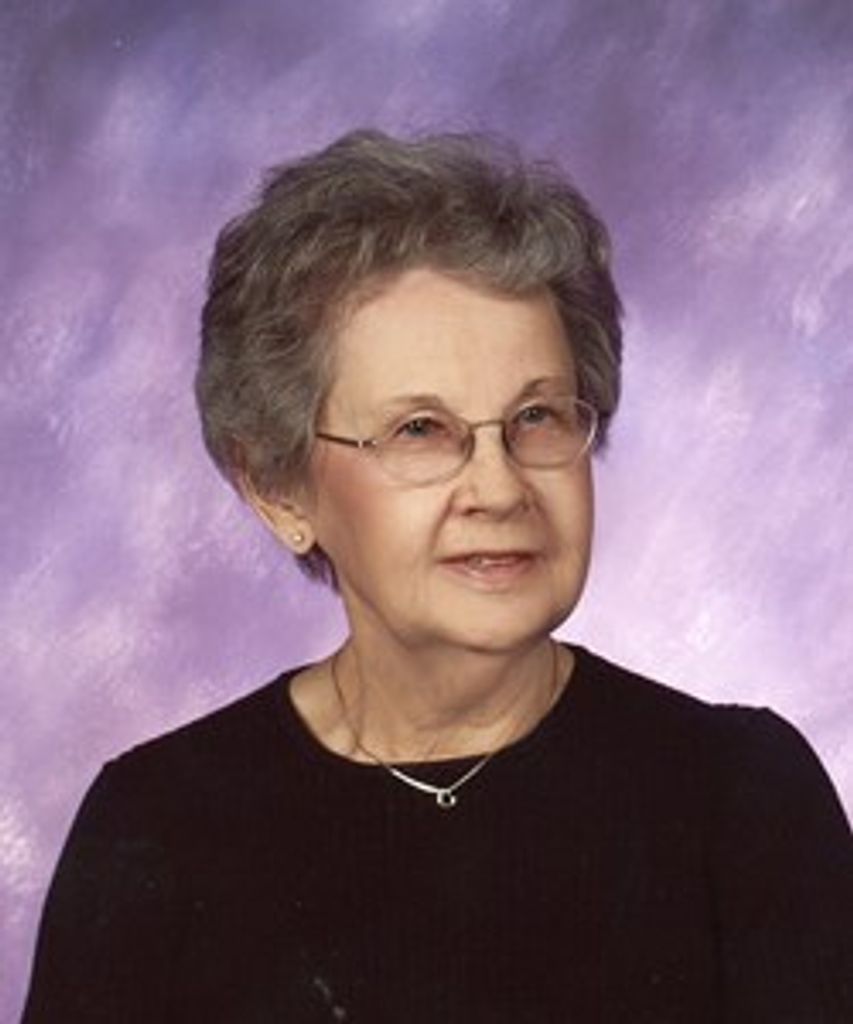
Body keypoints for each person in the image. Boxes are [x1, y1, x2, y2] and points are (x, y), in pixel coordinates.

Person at [21, 129, 853, 1023]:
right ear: (276, 487)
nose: (498, 487)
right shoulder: (158, 826)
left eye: (536, 416)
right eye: (420, 430)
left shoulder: (739, 796)